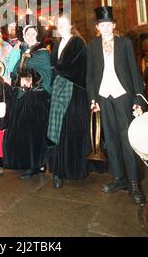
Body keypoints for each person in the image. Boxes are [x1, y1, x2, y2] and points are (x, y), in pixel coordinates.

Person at [86, 6, 146, 204]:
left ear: (113, 25)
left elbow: (135, 72)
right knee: (110, 139)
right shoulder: (93, 45)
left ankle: (134, 183)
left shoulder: (125, 44)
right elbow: (91, 74)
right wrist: (93, 98)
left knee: (127, 139)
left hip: (123, 96)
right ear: (98, 27)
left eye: (108, 24)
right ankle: (118, 178)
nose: (105, 27)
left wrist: (138, 99)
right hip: (104, 97)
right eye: (101, 25)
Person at [47, 15, 91, 188]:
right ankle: (58, 171)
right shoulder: (57, 45)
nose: (62, 26)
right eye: (59, 24)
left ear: (71, 25)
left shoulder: (78, 43)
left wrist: (56, 71)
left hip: (75, 93)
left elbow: (75, 68)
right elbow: (56, 68)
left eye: (65, 24)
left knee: (72, 131)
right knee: (58, 130)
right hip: (59, 90)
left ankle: (73, 169)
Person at [3, 24, 52, 178]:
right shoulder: (23, 52)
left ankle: (37, 164)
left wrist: (27, 71)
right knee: (24, 132)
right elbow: (14, 70)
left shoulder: (43, 53)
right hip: (22, 95)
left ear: (37, 36)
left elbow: (46, 72)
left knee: (35, 132)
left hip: (36, 97)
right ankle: (29, 161)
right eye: (27, 34)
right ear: (24, 37)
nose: (30, 36)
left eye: (33, 33)